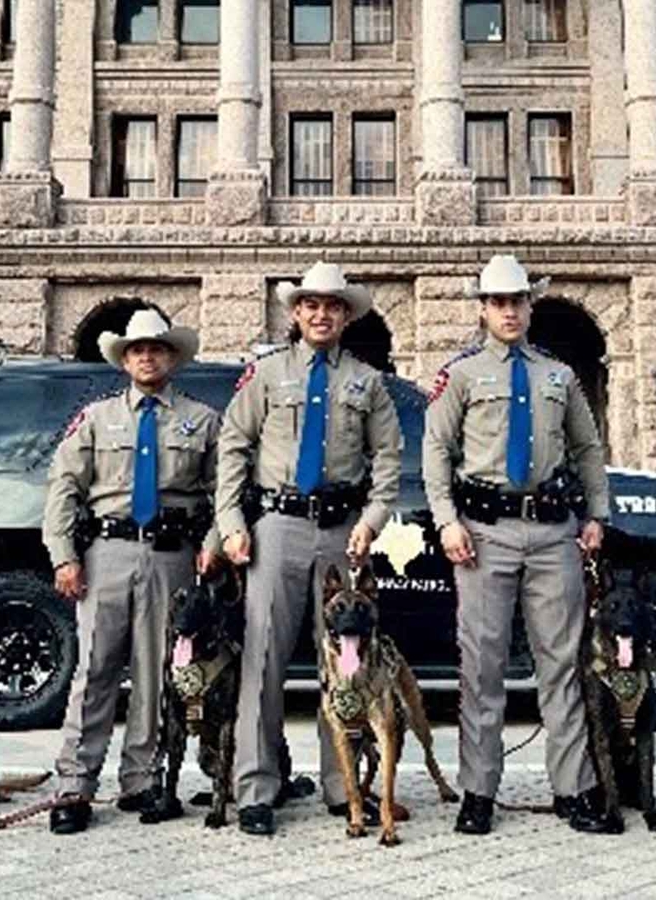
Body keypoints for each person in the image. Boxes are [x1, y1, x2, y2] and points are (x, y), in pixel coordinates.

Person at [421, 255, 612, 836]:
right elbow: (436, 451)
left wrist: (596, 513)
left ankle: (573, 789)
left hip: (553, 532)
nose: (509, 311)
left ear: (531, 305)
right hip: (484, 535)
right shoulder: (461, 375)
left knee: (562, 665)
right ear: (482, 309)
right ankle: (479, 791)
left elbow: (587, 449)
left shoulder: (558, 376)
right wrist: (446, 521)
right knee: (483, 668)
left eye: (518, 301)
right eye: (498, 302)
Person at [215, 261, 403, 837]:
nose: (321, 314)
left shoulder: (368, 382)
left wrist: (372, 520)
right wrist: (230, 522)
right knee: (263, 658)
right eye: (311, 305)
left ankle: (341, 786)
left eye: (333, 306)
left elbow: (390, 460)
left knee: (346, 666)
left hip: (343, 531)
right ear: (296, 313)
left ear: (347, 315)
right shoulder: (266, 375)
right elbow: (233, 447)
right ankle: (256, 789)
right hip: (278, 526)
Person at [42, 309, 222, 835]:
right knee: (94, 672)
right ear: (124, 359)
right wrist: (63, 555)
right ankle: (74, 785)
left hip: (173, 557)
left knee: (158, 673)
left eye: (157, 348)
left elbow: (223, 491)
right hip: (107, 554)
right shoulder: (95, 419)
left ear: (172, 357)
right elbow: (63, 489)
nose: (147, 355)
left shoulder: (201, 419)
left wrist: (211, 543)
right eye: (137, 349)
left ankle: (141, 779)